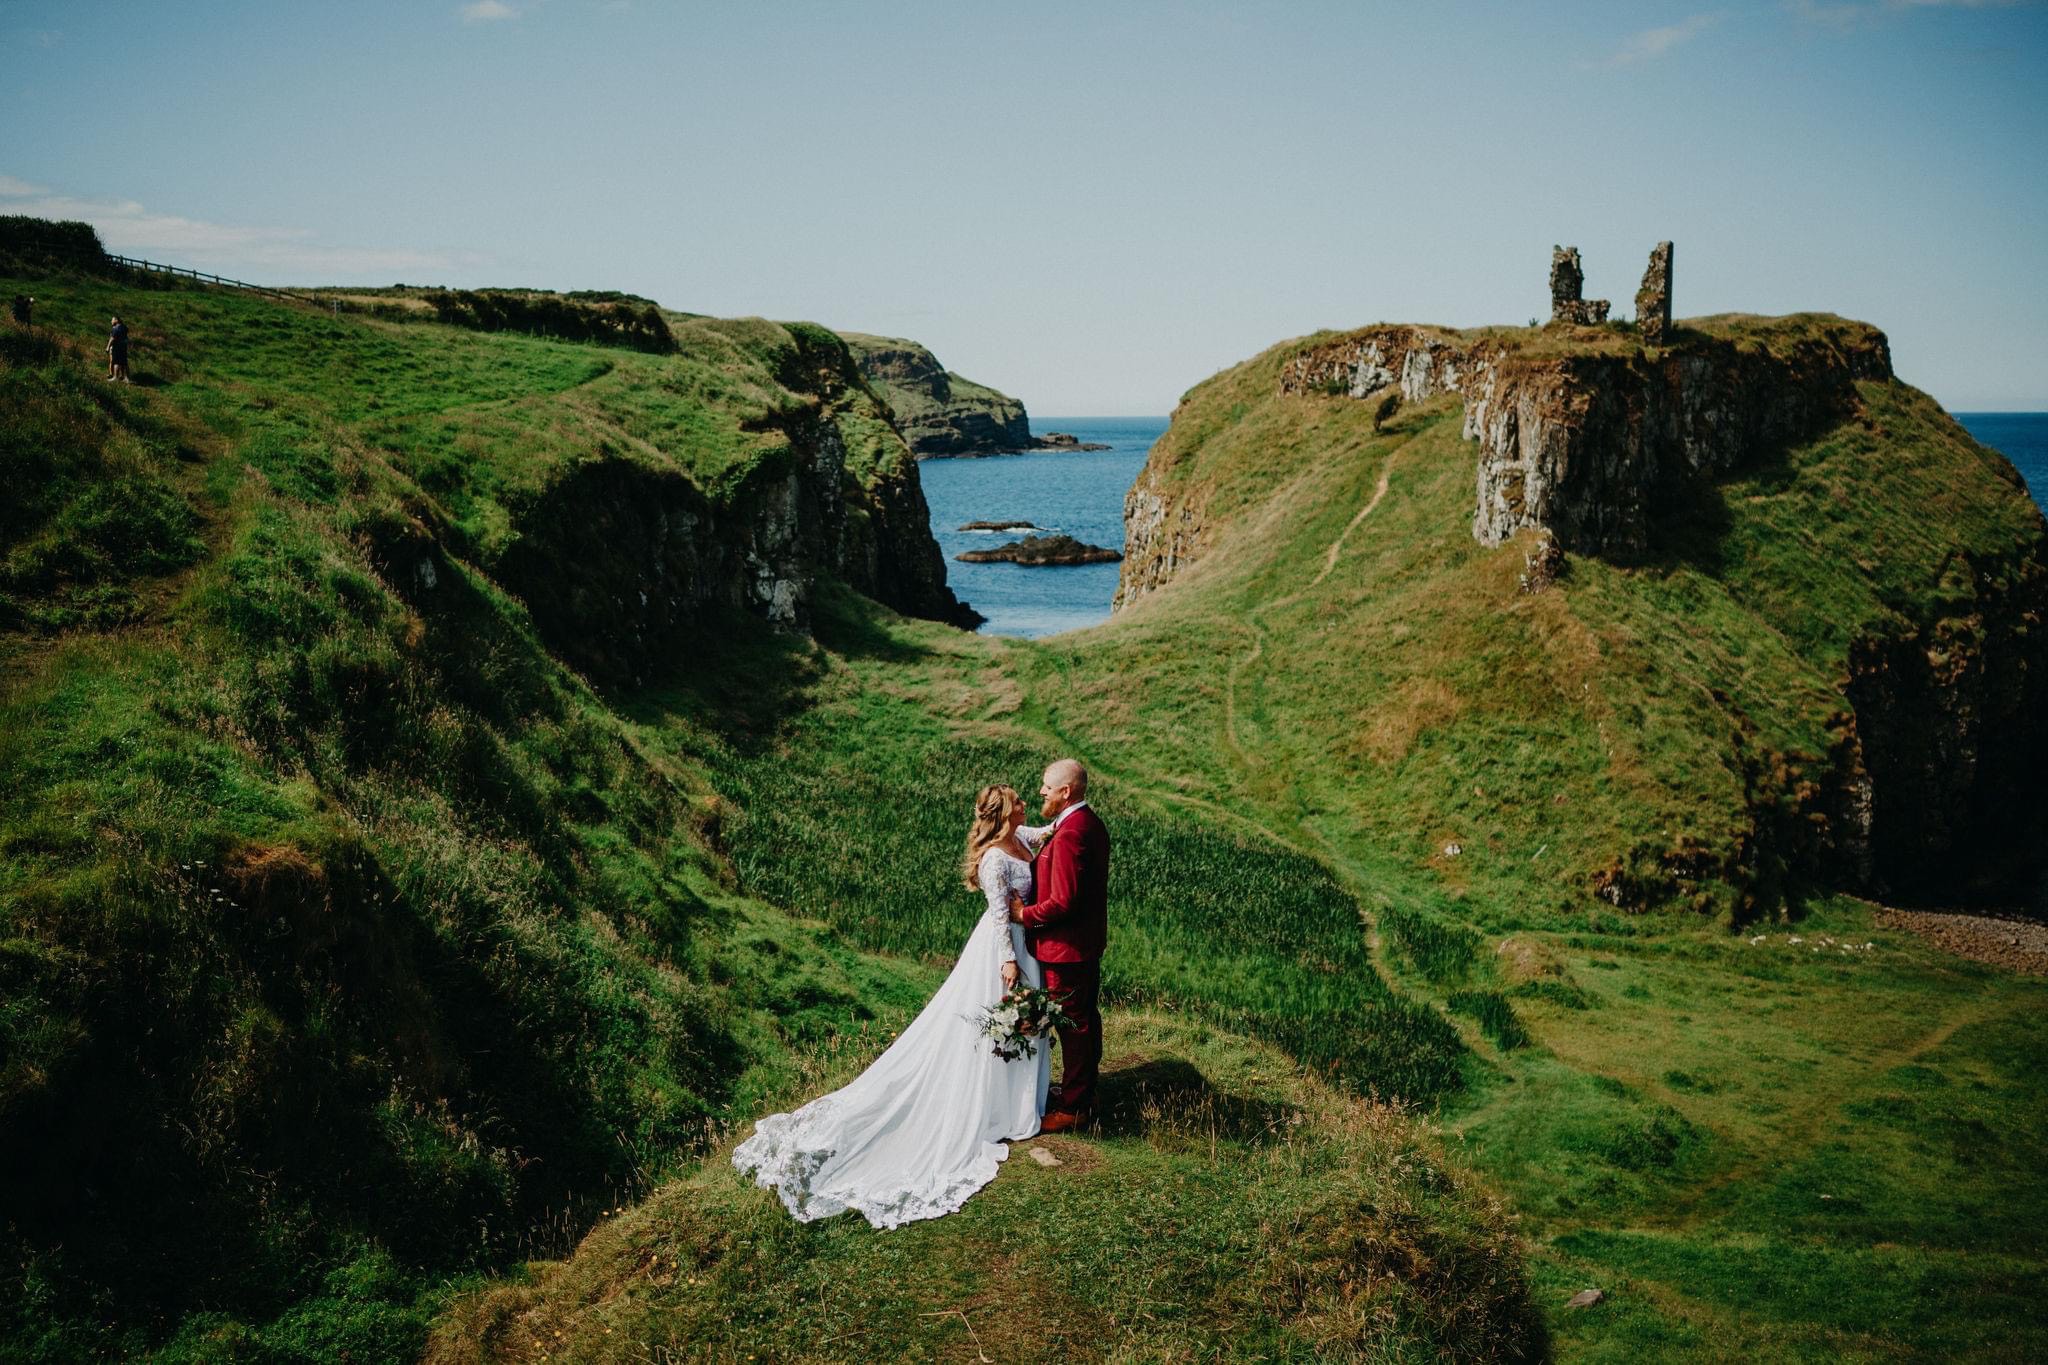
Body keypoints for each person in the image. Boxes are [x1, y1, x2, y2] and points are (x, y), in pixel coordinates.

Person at [731, 783, 1053, 1228]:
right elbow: (1000, 916)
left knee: (1020, 1025)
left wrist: (1073, 816)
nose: (1025, 804)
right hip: (1005, 951)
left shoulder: (1022, 837)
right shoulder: (996, 859)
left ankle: (1017, 1103)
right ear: (1004, 814)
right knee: (1001, 1025)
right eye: (1018, 801)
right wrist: (1009, 962)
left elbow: (1052, 830)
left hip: (1027, 945)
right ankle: (994, 1106)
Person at [1009, 758, 1110, 1132]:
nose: (1041, 792)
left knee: (1073, 1025)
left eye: (1047, 787)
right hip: (1082, 944)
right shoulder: (1086, 823)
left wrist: (1024, 915)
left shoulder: (1070, 834)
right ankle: (1082, 1092)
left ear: (1065, 792)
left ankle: (1075, 1108)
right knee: (1084, 1019)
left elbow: (1064, 901)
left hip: (1065, 948)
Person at [106, 316, 130, 382]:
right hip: (124, 347)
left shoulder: (115, 328)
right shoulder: (124, 327)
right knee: (124, 363)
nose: (111, 321)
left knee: (116, 362)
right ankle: (126, 378)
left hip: (117, 347)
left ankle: (115, 377)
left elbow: (112, 339)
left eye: (112, 320)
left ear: (116, 320)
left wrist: (108, 347)